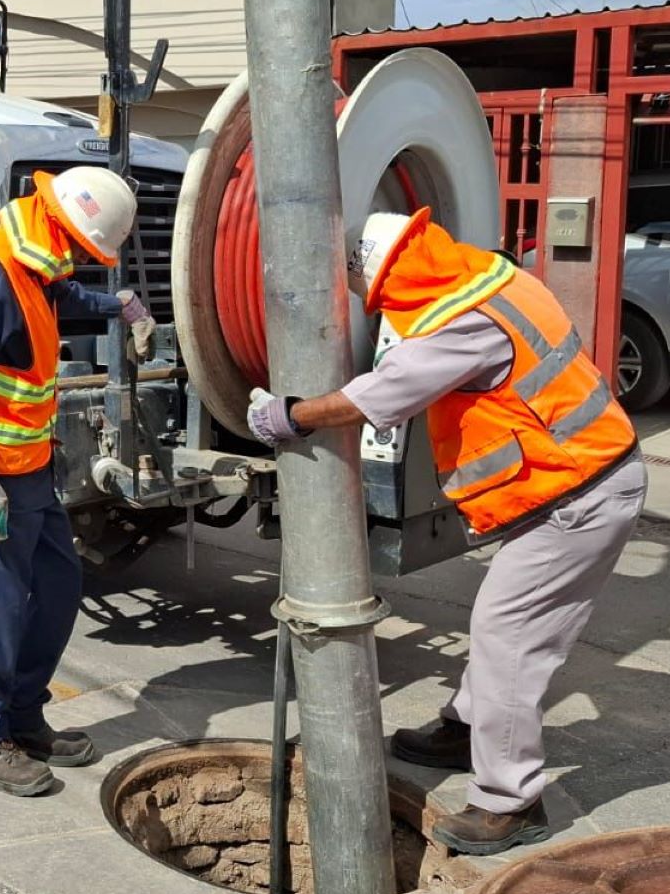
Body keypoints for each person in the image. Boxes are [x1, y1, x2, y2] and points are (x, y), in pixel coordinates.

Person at [245, 208, 645, 855]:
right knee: (503, 626)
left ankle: (509, 802)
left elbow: (384, 394)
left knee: (505, 635)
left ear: (393, 280)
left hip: (578, 496)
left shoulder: (465, 324)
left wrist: (289, 416)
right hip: (582, 480)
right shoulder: (495, 278)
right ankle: (467, 729)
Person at [0, 167, 156, 797]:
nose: (81, 257)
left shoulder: (39, 258)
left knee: (56, 583)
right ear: (66, 225)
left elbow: (63, 296)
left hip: (29, 466)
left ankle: (23, 715)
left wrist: (119, 304)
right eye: (84, 246)